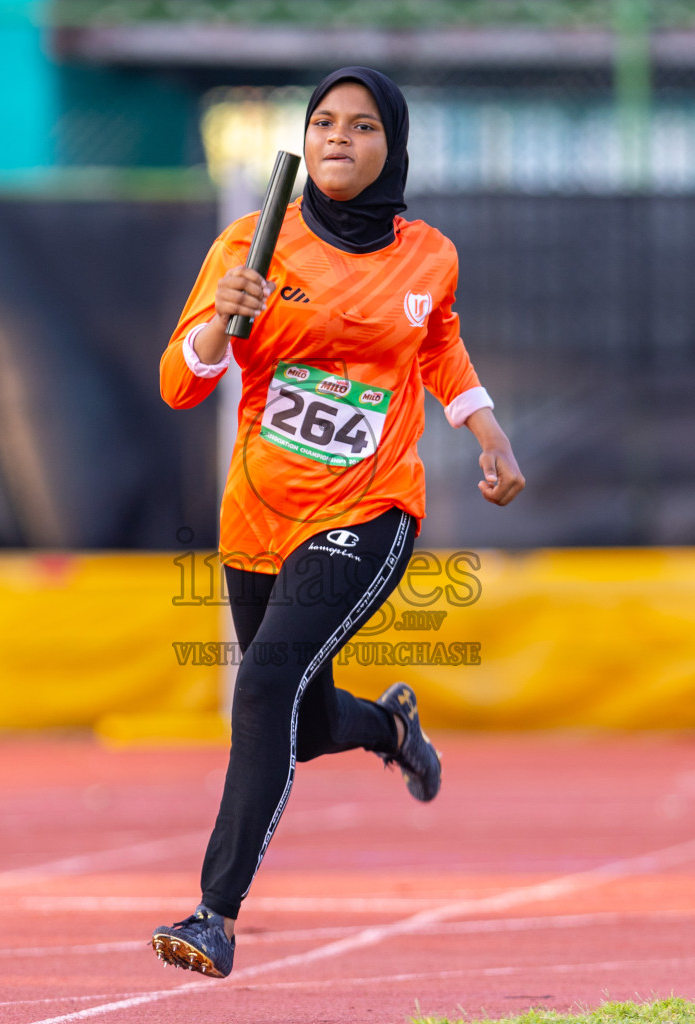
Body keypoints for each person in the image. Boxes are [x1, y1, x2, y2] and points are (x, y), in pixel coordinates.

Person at [151, 66, 524, 979]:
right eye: (323, 123)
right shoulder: (251, 244)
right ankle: (391, 728)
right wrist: (217, 329)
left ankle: (214, 914)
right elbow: (179, 380)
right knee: (306, 721)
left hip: (369, 510)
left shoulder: (429, 255)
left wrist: (486, 429)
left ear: (392, 147)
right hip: (259, 519)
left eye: (362, 127)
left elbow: (438, 342)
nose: (338, 139)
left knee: (263, 688)